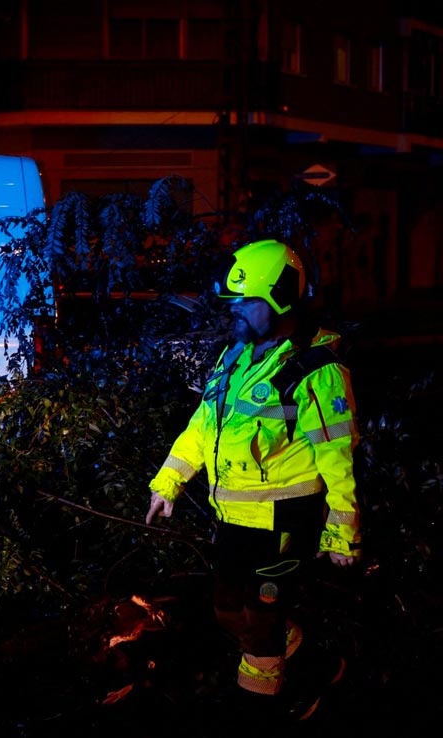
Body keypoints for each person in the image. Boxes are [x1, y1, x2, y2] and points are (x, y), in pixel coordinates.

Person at [143, 239, 361, 718]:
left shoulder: (316, 371)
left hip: (286, 522)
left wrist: (342, 533)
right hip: (236, 519)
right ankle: (317, 663)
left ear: (281, 298)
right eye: (231, 303)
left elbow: (339, 458)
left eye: (245, 301)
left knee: (260, 621)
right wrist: (168, 483)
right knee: (226, 609)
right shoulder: (235, 358)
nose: (234, 312)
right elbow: (203, 426)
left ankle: (258, 711)